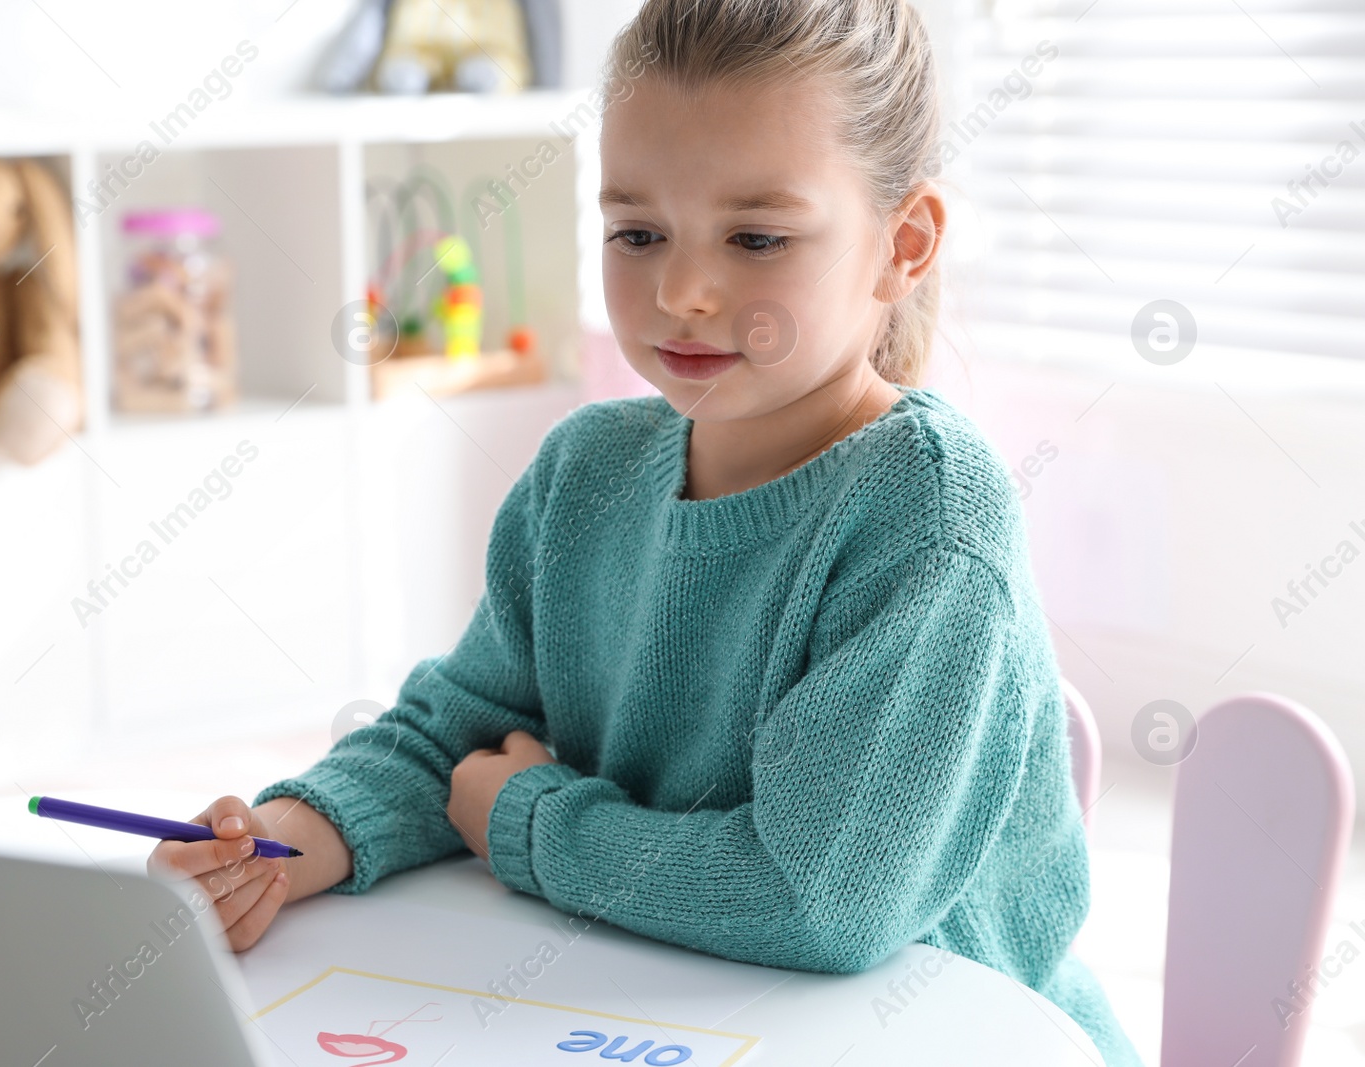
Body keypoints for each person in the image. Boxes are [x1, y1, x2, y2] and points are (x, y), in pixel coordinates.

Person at [150, 1, 1139, 1061]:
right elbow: (460, 731)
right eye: (636, 232)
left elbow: (816, 901)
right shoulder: (583, 473)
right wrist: (308, 829)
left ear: (902, 245)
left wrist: (527, 822)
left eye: (756, 237)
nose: (680, 291)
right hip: (662, 1014)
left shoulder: (930, 516)